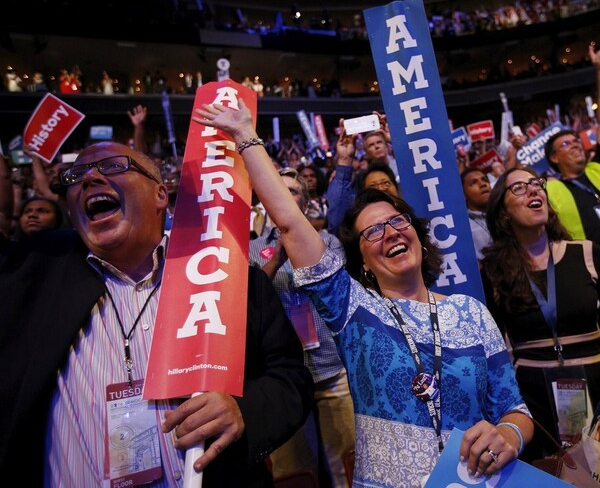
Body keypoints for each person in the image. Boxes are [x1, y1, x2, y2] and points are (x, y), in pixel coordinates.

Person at [194, 99, 534, 488]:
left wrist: (509, 434)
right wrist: (246, 136)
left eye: (397, 221)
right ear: (364, 262)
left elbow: (514, 409)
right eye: (373, 231)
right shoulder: (354, 309)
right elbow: (289, 222)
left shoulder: (470, 311)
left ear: (419, 238)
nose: (390, 232)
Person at [0, 141, 314, 487]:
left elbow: (290, 378)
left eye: (113, 166)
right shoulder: (32, 273)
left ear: (160, 194)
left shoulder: (231, 277)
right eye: (76, 175)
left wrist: (245, 410)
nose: (89, 178)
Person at [480, 165, 600, 461]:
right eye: (519, 188)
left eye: (536, 183)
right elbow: (493, 348)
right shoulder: (494, 273)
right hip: (533, 403)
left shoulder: (586, 253)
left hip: (597, 389)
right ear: (504, 212)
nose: (534, 189)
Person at [249, 168, 355, 487]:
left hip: (332, 371)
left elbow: (332, 286)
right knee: (293, 474)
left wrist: (295, 240)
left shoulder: (329, 242)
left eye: (293, 191)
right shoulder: (253, 250)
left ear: (306, 205)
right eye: (277, 189)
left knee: (348, 464)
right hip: (284, 378)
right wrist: (275, 260)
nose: (285, 195)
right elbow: (249, 303)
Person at [544, 129, 600, 245]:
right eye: (565, 144)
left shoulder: (596, 168)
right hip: (591, 259)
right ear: (554, 158)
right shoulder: (550, 191)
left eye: (576, 141)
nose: (575, 145)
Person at [460, 167, 492, 262]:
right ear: (463, 194)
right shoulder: (464, 227)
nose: (482, 184)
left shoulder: (507, 213)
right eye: (473, 182)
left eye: (485, 180)